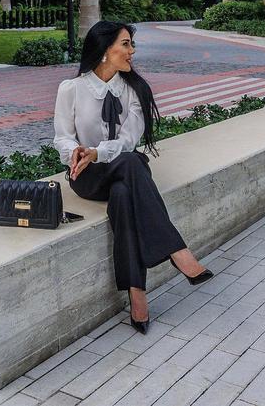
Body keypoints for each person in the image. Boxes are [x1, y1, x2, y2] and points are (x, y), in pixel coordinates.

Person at [53, 21, 213, 335]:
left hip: (122, 168)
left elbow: (128, 140)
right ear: (104, 51)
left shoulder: (134, 90)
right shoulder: (70, 89)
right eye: (125, 44)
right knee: (129, 165)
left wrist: (97, 152)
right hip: (87, 176)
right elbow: (61, 137)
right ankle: (176, 251)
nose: (132, 51)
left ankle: (137, 292)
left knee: (124, 190)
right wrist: (75, 153)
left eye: (131, 44)